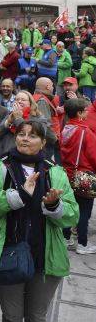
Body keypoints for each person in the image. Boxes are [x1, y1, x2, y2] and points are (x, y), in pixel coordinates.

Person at [0, 120, 78, 322]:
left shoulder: (56, 172)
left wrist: (53, 205)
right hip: (8, 254)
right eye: (21, 134)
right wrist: (19, 195)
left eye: (32, 136)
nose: (24, 138)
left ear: (43, 142)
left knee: (37, 318)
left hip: (45, 258)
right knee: (12, 317)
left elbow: (73, 214)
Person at [60, 98, 96, 254]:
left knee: (69, 207)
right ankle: (82, 244)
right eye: (85, 110)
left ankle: (66, 238)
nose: (88, 112)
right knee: (84, 211)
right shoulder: (85, 131)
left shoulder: (66, 128)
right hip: (83, 175)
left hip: (67, 173)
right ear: (80, 113)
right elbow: (94, 156)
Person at [0, 91, 57, 158]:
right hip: (6, 158)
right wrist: (8, 122)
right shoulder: (10, 115)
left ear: (30, 103)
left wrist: (18, 119)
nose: (19, 101)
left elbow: (34, 135)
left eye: (23, 100)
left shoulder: (39, 119)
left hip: (28, 160)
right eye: (17, 99)